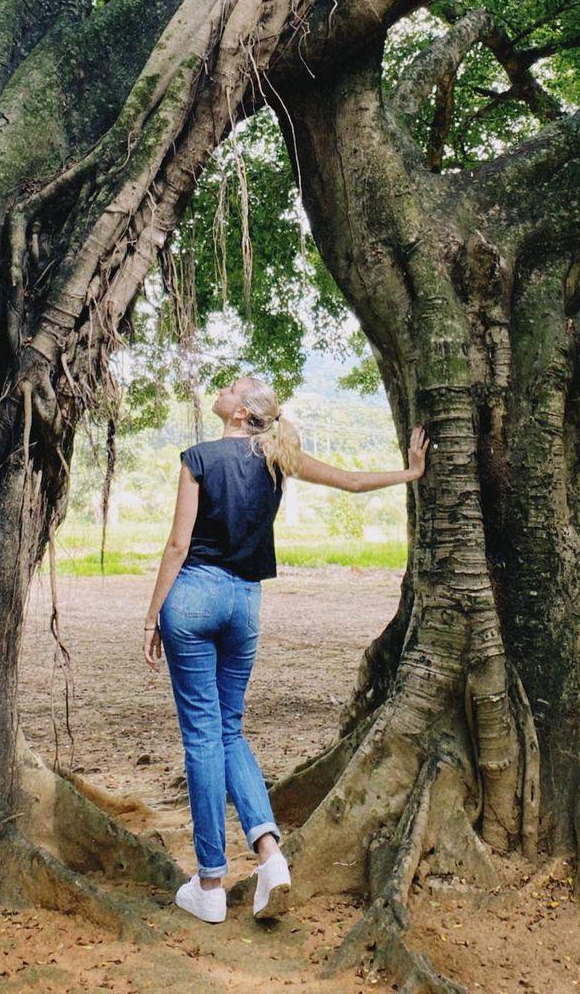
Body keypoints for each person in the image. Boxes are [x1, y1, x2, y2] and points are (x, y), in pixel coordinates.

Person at [142, 373, 429, 924]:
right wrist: (411, 473)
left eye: (231, 387)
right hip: (244, 606)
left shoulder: (198, 458)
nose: (221, 388)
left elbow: (178, 544)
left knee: (204, 737)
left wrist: (153, 611)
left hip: (194, 598)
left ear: (239, 413)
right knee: (229, 731)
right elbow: (350, 481)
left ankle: (208, 884)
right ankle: (271, 857)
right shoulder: (278, 458)